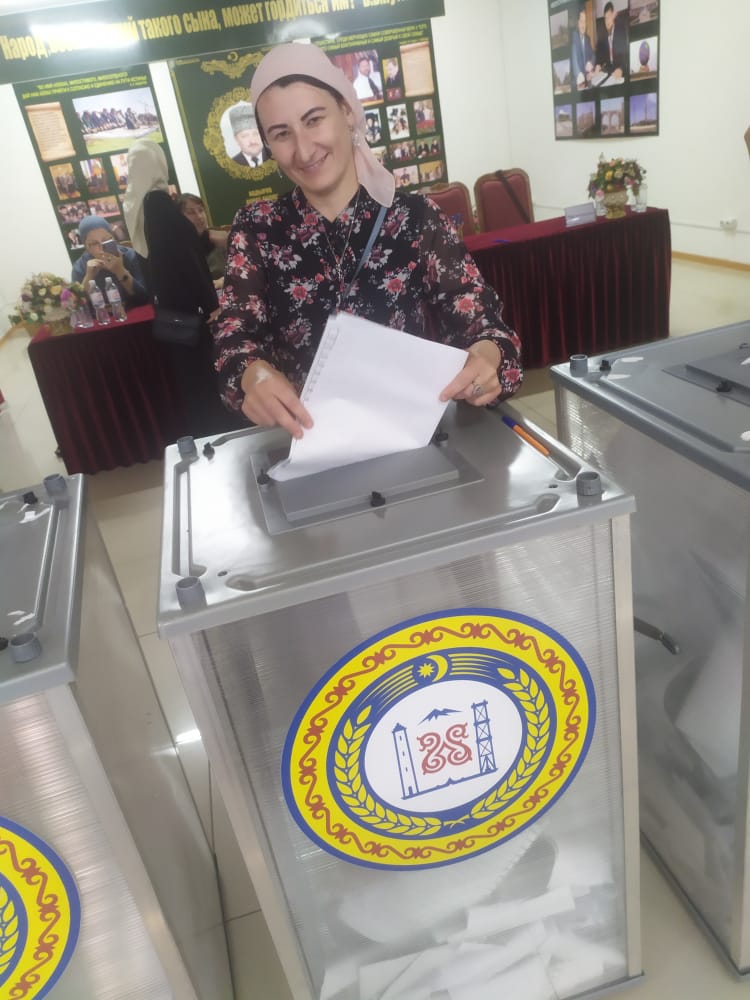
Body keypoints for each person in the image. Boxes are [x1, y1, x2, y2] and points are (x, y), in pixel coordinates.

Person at [213, 42, 522, 438]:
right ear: (268, 145)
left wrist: (486, 357)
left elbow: (485, 325)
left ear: (346, 111)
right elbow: (234, 338)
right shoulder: (257, 230)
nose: (303, 150)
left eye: (313, 119)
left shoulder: (416, 218)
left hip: (413, 437)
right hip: (311, 443)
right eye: (282, 134)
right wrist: (253, 375)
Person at [122, 139, 243, 438]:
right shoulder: (158, 204)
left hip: (171, 313)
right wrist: (211, 302)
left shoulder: (139, 206)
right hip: (190, 313)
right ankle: (216, 432)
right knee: (203, 377)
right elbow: (186, 260)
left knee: (191, 378)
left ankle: (206, 430)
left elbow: (169, 257)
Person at [71, 214, 148, 308]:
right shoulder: (79, 267)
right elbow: (78, 306)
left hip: (135, 313)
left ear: (113, 238)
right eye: (94, 243)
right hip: (101, 316)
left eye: (106, 240)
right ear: (86, 247)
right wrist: (89, 276)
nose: (101, 247)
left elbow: (145, 298)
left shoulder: (130, 256)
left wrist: (120, 270)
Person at [178, 192, 228, 286]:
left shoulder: (220, 239)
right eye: (191, 212)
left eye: (201, 210)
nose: (199, 216)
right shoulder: (177, 248)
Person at [228, 103, 268, 167]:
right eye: (245, 136)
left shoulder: (277, 156)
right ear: (236, 139)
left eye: (256, 134)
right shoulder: (231, 165)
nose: (252, 141)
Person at [596, 2, 627, 80]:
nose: (607, 21)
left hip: (620, 70)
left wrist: (621, 69)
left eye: (609, 17)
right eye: (605, 18)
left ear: (613, 15)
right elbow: (599, 53)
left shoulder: (621, 30)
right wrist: (598, 64)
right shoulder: (602, 33)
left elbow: (626, 54)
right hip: (609, 71)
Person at [571, 6, 597, 88]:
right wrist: (579, 74)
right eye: (581, 21)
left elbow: (593, 55)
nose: (583, 24)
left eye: (585, 21)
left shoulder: (587, 38)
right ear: (577, 23)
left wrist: (590, 63)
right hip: (577, 82)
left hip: (586, 79)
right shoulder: (574, 36)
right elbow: (574, 59)